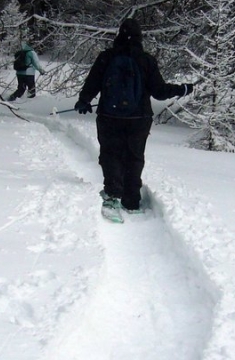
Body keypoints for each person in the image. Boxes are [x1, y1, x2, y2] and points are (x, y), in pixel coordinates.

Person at [75, 17, 195, 215]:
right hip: (139, 119)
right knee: (134, 156)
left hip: (109, 116)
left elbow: (93, 82)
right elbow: (159, 91)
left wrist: (84, 100)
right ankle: (131, 200)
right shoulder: (146, 60)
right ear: (140, 38)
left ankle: (113, 194)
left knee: (110, 154)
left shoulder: (107, 57)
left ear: (119, 35)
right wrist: (181, 89)